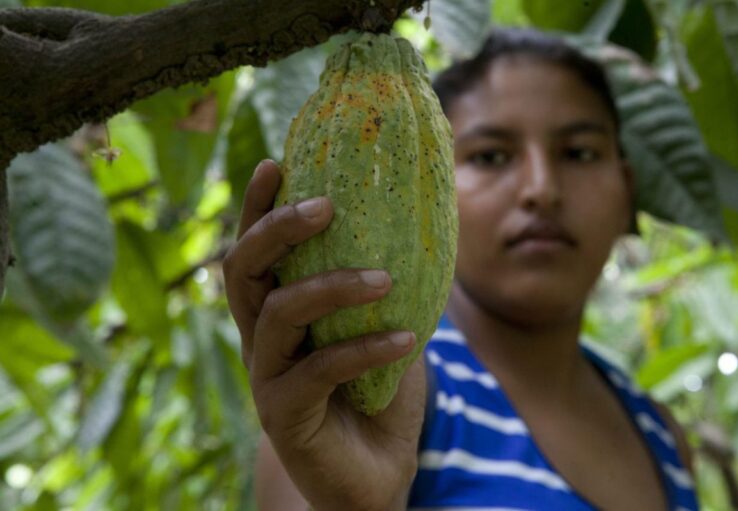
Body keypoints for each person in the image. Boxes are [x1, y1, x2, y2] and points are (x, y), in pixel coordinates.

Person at [223, 28, 700, 511]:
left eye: (579, 153)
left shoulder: (662, 437)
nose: (541, 188)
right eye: (491, 156)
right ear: (426, 180)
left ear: (628, 191)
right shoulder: (350, 395)